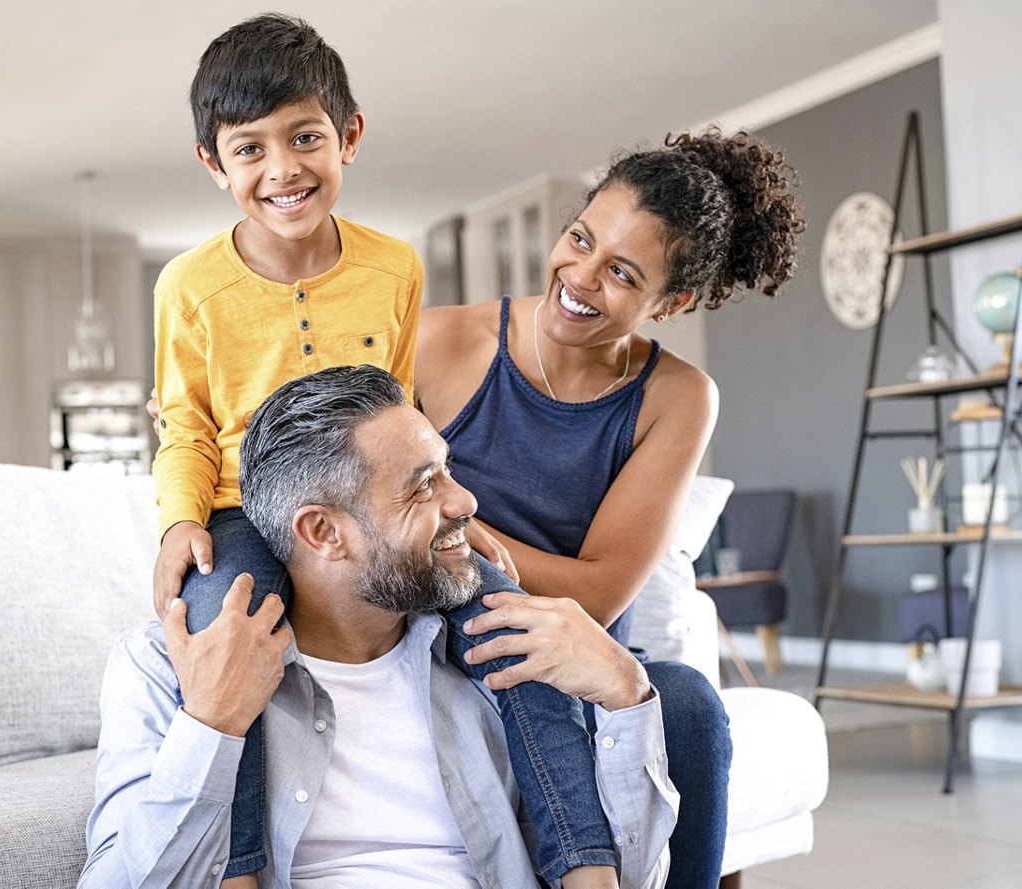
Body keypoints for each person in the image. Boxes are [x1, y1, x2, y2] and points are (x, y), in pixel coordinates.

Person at [153, 14, 630, 886]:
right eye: (249, 149)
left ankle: (585, 861)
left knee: (503, 610)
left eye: (305, 138)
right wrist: (180, 521)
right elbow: (184, 423)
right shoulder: (187, 285)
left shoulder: (395, 267)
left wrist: (445, 514)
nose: (283, 169)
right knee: (230, 630)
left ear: (350, 136)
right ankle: (241, 869)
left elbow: (401, 411)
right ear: (213, 164)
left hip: (372, 503)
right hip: (240, 504)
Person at [82, 366, 678, 888]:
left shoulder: (503, 655)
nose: (466, 502)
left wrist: (625, 689)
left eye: (448, 471)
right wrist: (210, 726)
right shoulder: (167, 667)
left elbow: (631, 880)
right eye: (423, 486)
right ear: (322, 532)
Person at [415, 129, 805, 888]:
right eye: (580, 238)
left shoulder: (678, 396)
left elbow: (595, 593)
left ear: (674, 301)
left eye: (621, 273)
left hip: (589, 659)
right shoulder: (439, 341)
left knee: (690, 702)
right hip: (451, 638)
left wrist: (455, 522)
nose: (580, 276)